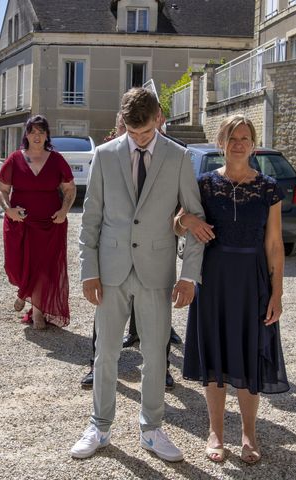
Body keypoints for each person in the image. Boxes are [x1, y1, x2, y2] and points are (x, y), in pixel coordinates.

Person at [71, 88, 205, 462]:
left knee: (156, 357)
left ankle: (152, 430)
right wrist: (88, 271)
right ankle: (99, 426)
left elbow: (194, 219)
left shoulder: (179, 157)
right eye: (132, 133)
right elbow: (91, 219)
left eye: (145, 133)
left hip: (157, 272)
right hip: (111, 272)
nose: (139, 139)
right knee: (105, 354)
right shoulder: (104, 155)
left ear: (159, 118)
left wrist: (188, 275)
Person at [175, 114, 289, 464]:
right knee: (216, 356)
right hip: (214, 278)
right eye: (232, 137)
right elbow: (176, 223)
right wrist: (188, 220)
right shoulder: (204, 184)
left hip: (252, 280)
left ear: (252, 144)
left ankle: (249, 433)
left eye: (245, 137)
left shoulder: (268, 187)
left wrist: (277, 293)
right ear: (221, 142)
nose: (238, 143)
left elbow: (274, 245)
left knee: (249, 355)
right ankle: (215, 432)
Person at [80, 110, 180, 391]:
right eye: (124, 124)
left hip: (152, 254)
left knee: (157, 324)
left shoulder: (169, 154)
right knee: (104, 321)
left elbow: (180, 203)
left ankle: (162, 370)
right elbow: (94, 212)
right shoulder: (108, 153)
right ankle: (95, 366)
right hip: (115, 256)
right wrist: (90, 265)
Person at [0, 115, 76, 329]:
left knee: (44, 266)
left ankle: (38, 313)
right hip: (20, 222)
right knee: (17, 264)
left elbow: (69, 189)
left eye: (41, 132)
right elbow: (2, 191)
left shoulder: (57, 160)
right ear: (26, 134)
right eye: (33, 131)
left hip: (51, 223)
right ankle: (23, 290)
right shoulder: (14, 159)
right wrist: (8, 210)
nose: (37, 136)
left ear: (47, 135)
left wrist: (64, 211)